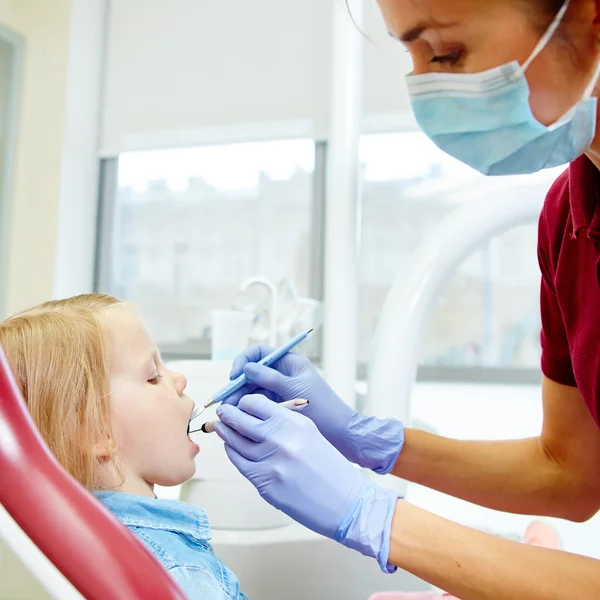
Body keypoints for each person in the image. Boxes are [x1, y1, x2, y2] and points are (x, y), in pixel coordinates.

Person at [212, 0, 600, 598]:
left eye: (445, 52)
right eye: (410, 57)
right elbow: (571, 476)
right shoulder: (569, 219)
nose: (426, 89)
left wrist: (377, 516)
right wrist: (367, 439)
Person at [0, 294, 247, 600]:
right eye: (153, 376)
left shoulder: (80, 548)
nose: (180, 380)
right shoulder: (179, 575)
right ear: (97, 433)